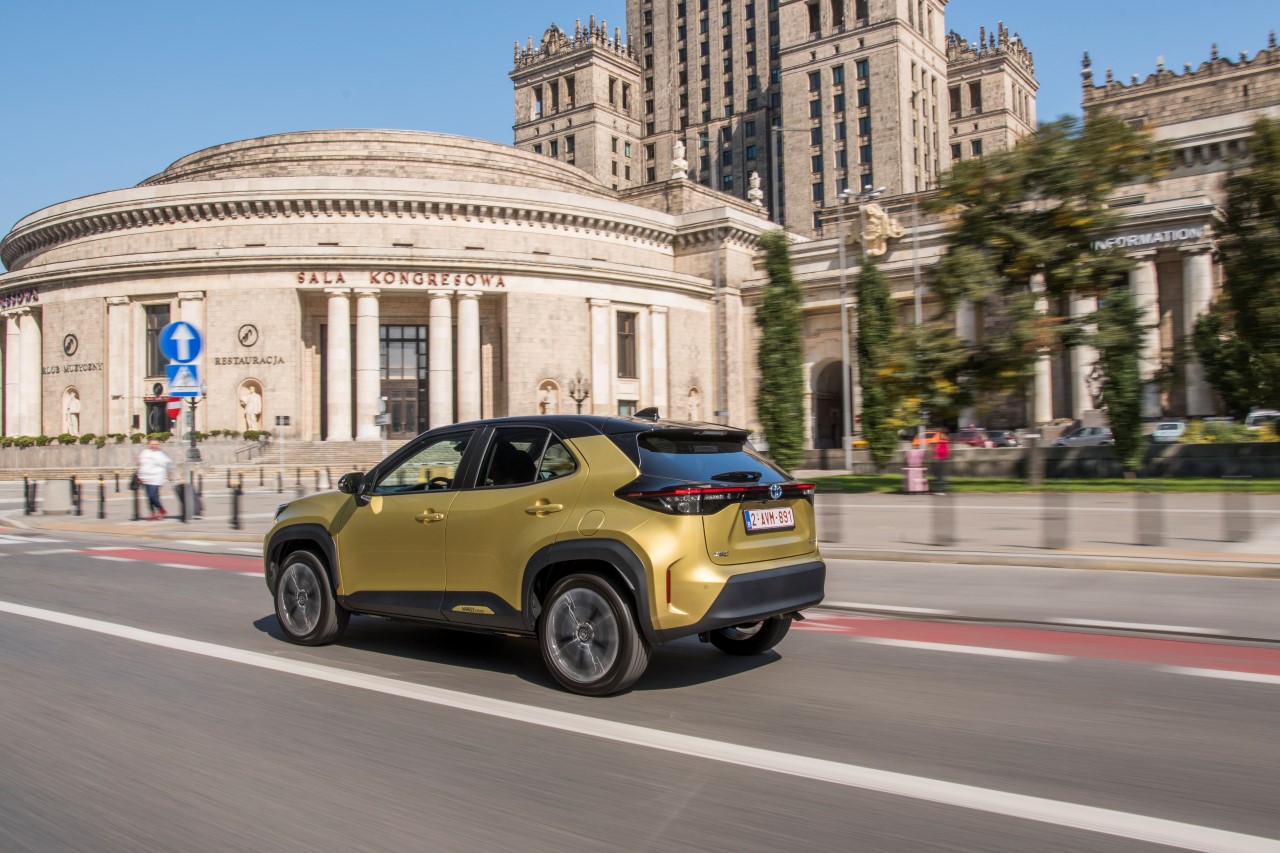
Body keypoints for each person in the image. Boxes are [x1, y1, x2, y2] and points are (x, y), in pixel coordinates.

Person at [136, 439, 174, 520]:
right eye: (152, 444)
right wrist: (139, 475)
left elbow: (168, 464)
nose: (154, 446)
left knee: (152, 495)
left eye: (156, 444)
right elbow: (140, 464)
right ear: (149, 445)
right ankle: (152, 512)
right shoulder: (144, 452)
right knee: (148, 496)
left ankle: (161, 509)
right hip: (145, 477)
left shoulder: (161, 454)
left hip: (156, 477)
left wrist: (169, 473)